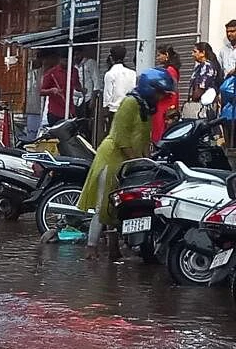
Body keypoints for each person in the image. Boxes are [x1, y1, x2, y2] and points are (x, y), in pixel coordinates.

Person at [76, 68, 175, 261]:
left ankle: (114, 249)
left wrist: (148, 160)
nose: (161, 97)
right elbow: (122, 138)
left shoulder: (144, 106)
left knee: (119, 207)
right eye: (159, 93)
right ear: (150, 88)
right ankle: (91, 247)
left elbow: (144, 138)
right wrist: (137, 162)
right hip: (113, 158)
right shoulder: (130, 103)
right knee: (104, 205)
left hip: (130, 161)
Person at [151, 45, 181, 142]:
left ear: (166, 55)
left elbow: (170, 89)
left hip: (166, 104)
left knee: (161, 130)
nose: (157, 58)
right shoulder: (170, 70)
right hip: (167, 103)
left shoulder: (170, 71)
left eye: (159, 55)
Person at [39, 54, 79, 125]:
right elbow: (41, 92)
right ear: (60, 60)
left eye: (69, 61)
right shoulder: (52, 73)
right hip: (55, 112)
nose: (68, 63)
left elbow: (77, 84)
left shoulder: (74, 71)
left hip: (70, 110)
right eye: (65, 61)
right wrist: (52, 90)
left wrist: (81, 89)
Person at [101, 44, 136, 126]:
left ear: (111, 57)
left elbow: (107, 96)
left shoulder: (110, 74)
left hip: (115, 111)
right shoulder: (132, 73)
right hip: (129, 110)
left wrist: (105, 114)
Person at [190, 42, 222, 114]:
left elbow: (202, 86)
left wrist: (193, 100)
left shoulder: (207, 66)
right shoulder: (200, 66)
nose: (192, 54)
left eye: (195, 52)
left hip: (204, 107)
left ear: (203, 53)